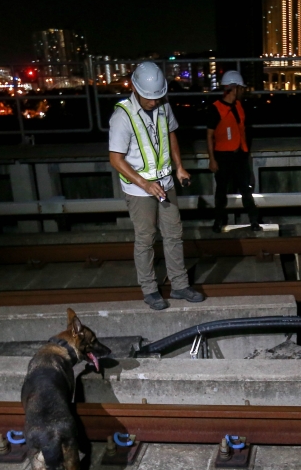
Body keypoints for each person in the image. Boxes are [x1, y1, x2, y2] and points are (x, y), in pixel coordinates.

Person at [109, 62, 204, 310]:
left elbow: (171, 133)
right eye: (149, 98)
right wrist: (144, 183)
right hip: (139, 190)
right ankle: (150, 290)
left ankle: (180, 286)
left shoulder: (163, 106)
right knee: (146, 238)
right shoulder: (122, 116)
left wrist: (179, 166)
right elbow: (115, 159)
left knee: (174, 234)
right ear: (135, 88)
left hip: (166, 182)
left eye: (158, 96)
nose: (154, 102)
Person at [206, 70, 261, 233]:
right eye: (241, 88)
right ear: (235, 88)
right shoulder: (215, 109)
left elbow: (242, 131)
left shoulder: (239, 106)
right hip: (222, 156)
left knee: (246, 189)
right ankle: (218, 221)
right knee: (221, 191)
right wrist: (212, 159)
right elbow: (209, 136)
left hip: (239, 155)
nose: (243, 92)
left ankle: (254, 220)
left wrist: (245, 154)